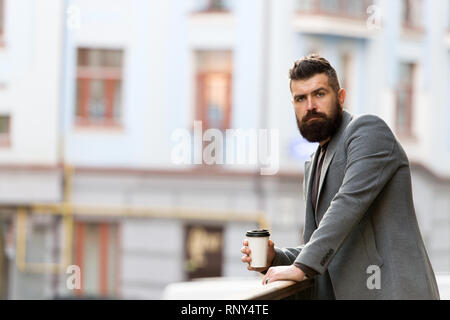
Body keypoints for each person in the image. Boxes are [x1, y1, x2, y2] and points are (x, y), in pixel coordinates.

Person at [241, 54, 440, 299]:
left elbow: (348, 204)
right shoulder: (314, 162)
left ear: (341, 97)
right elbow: (324, 245)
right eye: (300, 98)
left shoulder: (367, 131)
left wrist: (301, 266)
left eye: (319, 94)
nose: (310, 105)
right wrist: (275, 259)